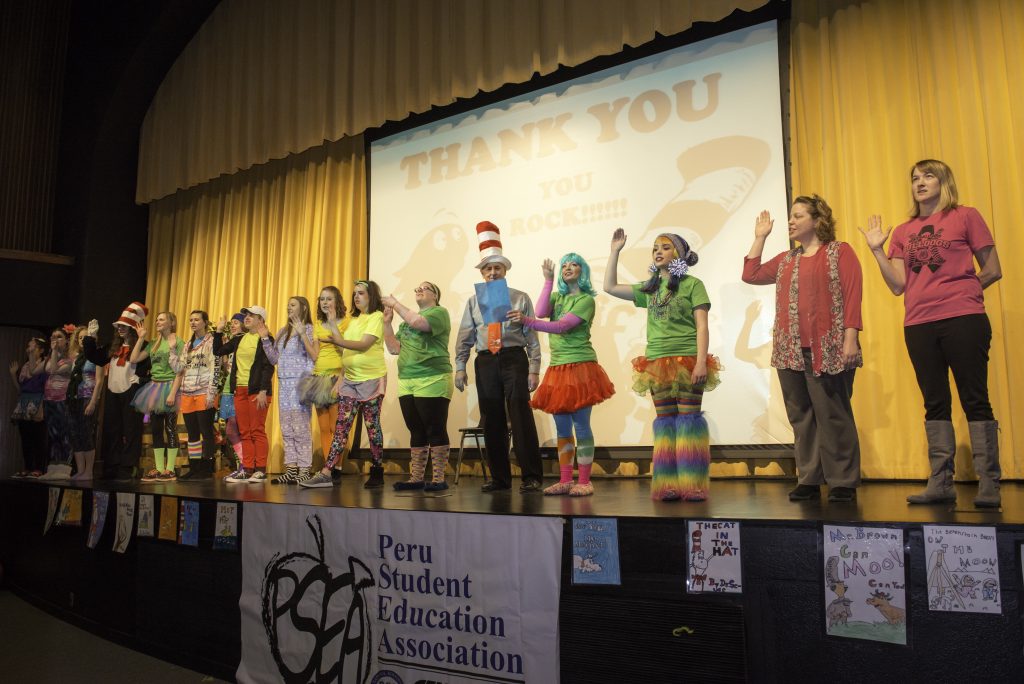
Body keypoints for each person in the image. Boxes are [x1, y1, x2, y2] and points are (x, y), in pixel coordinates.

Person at [860, 159, 1003, 507]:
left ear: (944, 181)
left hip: (963, 319)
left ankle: (988, 483)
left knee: (974, 397)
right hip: (919, 323)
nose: (919, 182)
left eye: (927, 176)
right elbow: (898, 285)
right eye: (914, 178)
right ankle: (941, 483)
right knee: (934, 401)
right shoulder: (905, 231)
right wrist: (877, 249)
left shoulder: (966, 216)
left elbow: (993, 269)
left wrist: (964, 290)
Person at [742, 196, 864, 503]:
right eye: (791, 216)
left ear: (817, 220)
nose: (791, 221)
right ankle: (809, 478)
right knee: (801, 416)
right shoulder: (786, 259)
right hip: (790, 351)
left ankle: (842, 481)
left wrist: (851, 337)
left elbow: (852, 295)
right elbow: (751, 274)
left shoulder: (839, 252)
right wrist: (760, 237)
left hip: (829, 348)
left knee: (833, 414)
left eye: (798, 215)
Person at [605, 228, 721, 502]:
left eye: (665, 247)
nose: (658, 251)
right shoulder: (650, 288)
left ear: (679, 254)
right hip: (656, 363)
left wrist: (701, 362)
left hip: (688, 359)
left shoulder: (693, 285)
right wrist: (614, 252)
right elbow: (609, 287)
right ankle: (667, 484)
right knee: (665, 422)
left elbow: (702, 327)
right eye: (655, 247)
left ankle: (692, 484)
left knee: (688, 422)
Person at [508, 254, 615, 496]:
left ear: (583, 271)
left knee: (581, 425)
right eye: (564, 265)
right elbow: (543, 310)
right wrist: (547, 280)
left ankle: (585, 481)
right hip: (557, 368)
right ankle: (566, 479)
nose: (568, 268)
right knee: (562, 428)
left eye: (574, 264)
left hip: (580, 367)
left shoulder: (586, 300)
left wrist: (527, 321)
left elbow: (562, 326)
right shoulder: (557, 297)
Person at [454, 221, 544, 493]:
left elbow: (531, 334)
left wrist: (535, 368)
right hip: (486, 360)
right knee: (491, 417)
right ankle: (500, 478)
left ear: (505, 271)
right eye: (488, 268)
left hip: (514, 358)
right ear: (482, 273)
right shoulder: (473, 302)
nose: (492, 272)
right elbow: (465, 335)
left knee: (520, 415)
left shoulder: (520, 298)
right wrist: (460, 366)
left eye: (497, 268)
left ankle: (531, 476)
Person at [301, 281, 387, 489]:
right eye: (355, 294)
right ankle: (327, 472)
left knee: (372, 426)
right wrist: (341, 378)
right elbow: (345, 350)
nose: (357, 297)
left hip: (371, 380)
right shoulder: (356, 320)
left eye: (361, 293)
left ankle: (377, 470)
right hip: (349, 380)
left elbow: (363, 344)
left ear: (371, 295)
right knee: (341, 427)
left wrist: (336, 339)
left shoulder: (376, 317)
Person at [382, 281, 454, 491]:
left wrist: (395, 303)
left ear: (436, 295)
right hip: (407, 380)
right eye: (417, 288)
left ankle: (439, 478)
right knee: (416, 429)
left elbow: (420, 323)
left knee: (434, 427)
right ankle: (417, 478)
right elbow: (394, 348)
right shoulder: (405, 324)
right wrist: (387, 323)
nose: (419, 290)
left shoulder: (439, 313)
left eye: (425, 288)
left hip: (433, 377)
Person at [83, 303, 152, 481]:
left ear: (132, 328)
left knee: (131, 431)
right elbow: (94, 357)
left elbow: (155, 372)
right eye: (119, 326)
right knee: (112, 430)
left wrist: (142, 380)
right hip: (113, 392)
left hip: (132, 393)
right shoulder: (112, 347)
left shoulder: (145, 347)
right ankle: (111, 465)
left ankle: (127, 467)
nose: (120, 329)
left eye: (124, 326)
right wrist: (91, 337)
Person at [214, 305, 276, 483]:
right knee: (245, 431)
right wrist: (218, 331)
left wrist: (264, 391)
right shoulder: (240, 339)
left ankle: (261, 470)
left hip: (257, 391)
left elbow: (268, 366)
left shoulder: (265, 339)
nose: (247, 317)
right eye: (246, 315)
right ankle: (248, 469)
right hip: (239, 390)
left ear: (260, 320)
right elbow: (218, 351)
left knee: (257, 430)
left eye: (251, 315)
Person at [262, 296, 317, 484]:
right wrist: (265, 339)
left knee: (301, 427)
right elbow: (274, 359)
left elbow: (313, 356)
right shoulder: (282, 331)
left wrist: (302, 333)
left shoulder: (309, 329)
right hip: (284, 384)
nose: (288, 307)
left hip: (300, 383)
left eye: (292, 305)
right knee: (287, 427)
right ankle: (291, 469)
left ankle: (304, 469)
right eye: (288, 305)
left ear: (303, 308)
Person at [297, 286, 350, 477]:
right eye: (322, 299)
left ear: (337, 301)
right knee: (323, 427)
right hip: (319, 378)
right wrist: (303, 334)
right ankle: (328, 466)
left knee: (337, 427)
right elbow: (315, 354)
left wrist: (342, 378)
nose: (325, 303)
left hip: (337, 376)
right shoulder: (318, 325)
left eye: (329, 299)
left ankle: (337, 467)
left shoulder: (346, 323)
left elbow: (348, 352)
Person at [130, 312, 184, 482]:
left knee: (170, 427)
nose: (157, 322)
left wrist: (173, 393)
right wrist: (140, 338)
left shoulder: (178, 342)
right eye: (157, 319)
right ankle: (160, 468)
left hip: (169, 386)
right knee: (155, 428)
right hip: (154, 387)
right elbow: (133, 359)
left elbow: (180, 370)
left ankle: (170, 469)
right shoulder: (154, 343)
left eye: (161, 319)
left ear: (171, 322)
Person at [172, 310, 220, 480]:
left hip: (204, 391)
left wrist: (211, 393)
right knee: (192, 432)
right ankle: (194, 467)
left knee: (206, 431)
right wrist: (172, 354)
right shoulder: (187, 345)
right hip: (188, 393)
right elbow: (179, 369)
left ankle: (207, 468)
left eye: (196, 319)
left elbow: (216, 369)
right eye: (190, 319)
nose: (192, 322)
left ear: (205, 322)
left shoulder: (212, 342)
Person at [67, 326, 106, 482]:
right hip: (73, 399)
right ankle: (81, 470)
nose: (83, 340)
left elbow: (100, 380)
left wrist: (93, 402)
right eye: (80, 338)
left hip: (87, 398)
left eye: (86, 337)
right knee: (75, 435)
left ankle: (88, 471)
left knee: (86, 434)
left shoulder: (97, 355)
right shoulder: (76, 358)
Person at [37, 326, 75, 481]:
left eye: (59, 336)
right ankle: (53, 467)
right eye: (53, 336)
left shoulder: (70, 358)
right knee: (53, 435)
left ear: (66, 341)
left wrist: (53, 351)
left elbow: (52, 370)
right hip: (49, 400)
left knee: (64, 434)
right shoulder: (50, 357)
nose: (55, 339)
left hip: (62, 400)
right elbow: (34, 371)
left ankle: (64, 468)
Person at [9, 336, 48, 478]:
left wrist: (41, 407)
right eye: (28, 347)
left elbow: (46, 388)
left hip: (38, 401)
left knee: (38, 437)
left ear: (41, 350)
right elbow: (20, 390)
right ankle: (28, 467)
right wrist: (13, 375)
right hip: (24, 403)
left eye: (33, 347)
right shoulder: (26, 366)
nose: (29, 350)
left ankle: (38, 468)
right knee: (26, 438)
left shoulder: (44, 365)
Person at [218, 313, 246, 471]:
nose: (233, 325)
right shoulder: (232, 343)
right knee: (230, 430)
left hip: (238, 389)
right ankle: (241, 463)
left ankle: (246, 465)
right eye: (232, 323)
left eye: (236, 322)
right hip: (228, 390)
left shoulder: (243, 341)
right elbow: (227, 369)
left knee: (238, 427)